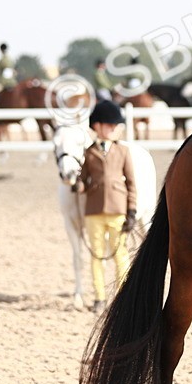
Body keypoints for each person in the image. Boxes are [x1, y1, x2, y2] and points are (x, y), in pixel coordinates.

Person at [79, 100, 137, 315]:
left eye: (114, 125)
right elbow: (83, 181)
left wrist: (131, 210)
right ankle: (99, 297)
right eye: (108, 124)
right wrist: (78, 184)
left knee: (119, 255)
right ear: (97, 126)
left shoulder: (123, 151)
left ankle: (122, 297)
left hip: (117, 209)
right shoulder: (89, 153)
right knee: (96, 255)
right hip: (94, 210)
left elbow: (131, 183)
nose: (113, 128)